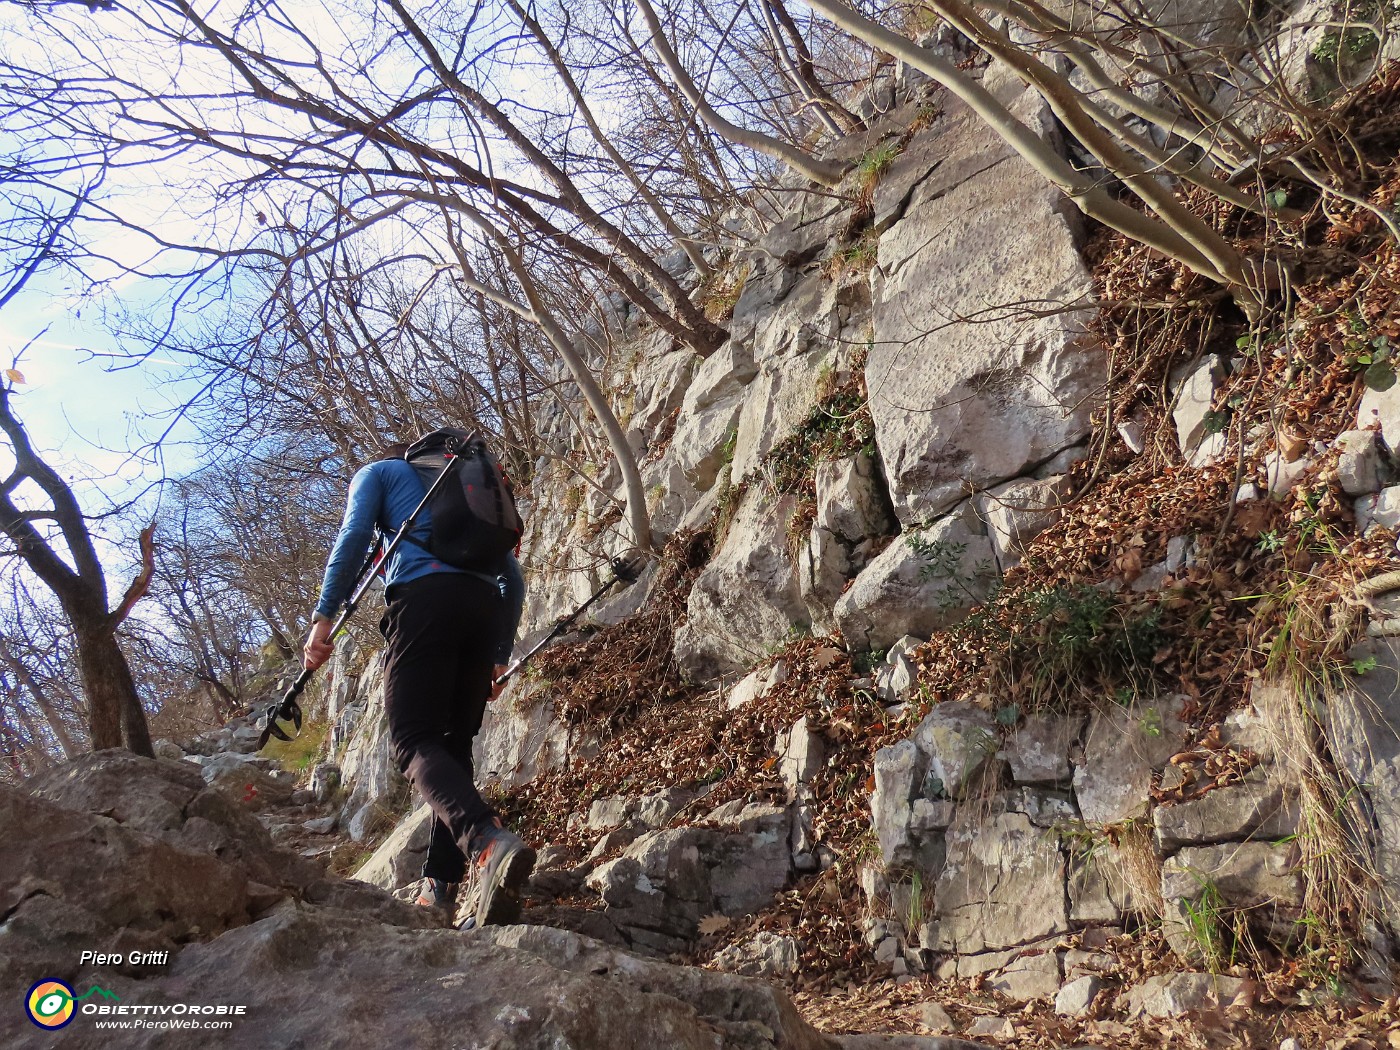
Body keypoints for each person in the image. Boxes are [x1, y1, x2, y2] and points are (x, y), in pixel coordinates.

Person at [303, 439, 532, 928]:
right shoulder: (462, 489)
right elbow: (512, 577)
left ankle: (487, 841)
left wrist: (323, 619)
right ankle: (441, 888)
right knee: (452, 747)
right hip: (484, 609)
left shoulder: (379, 474)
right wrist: (497, 656)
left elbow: (353, 536)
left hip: (424, 601)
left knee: (412, 740)